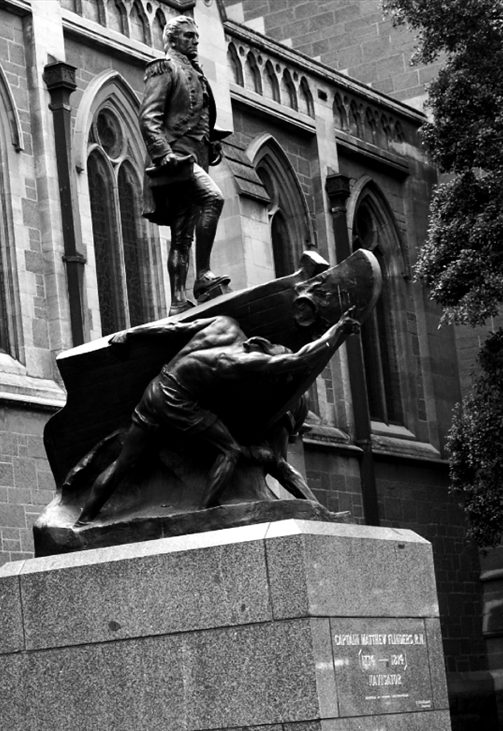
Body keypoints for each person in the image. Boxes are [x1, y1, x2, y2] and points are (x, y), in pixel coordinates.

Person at [76, 309, 360, 525]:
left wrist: (132, 334)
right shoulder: (245, 362)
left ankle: (84, 520)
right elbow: (300, 359)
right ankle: (205, 512)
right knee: (229, 450)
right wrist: (338, 331)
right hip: (178, 400)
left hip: (157, 387)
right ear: (265, 350)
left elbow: (173, 327)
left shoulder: (224, 324)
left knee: (124, 462)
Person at [139, 15, 230, 315]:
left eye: (196, 36)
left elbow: (196, 115)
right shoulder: (164, 67)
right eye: (189, 36)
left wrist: (211, 142)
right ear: (173, 39)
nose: (195, 41)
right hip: (176, 161)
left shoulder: (197, 72)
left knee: (182, 236)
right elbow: (149, 117)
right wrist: (162, 153)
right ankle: (203, 276)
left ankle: (177, 302)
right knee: (213, 199)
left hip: (196, 158)